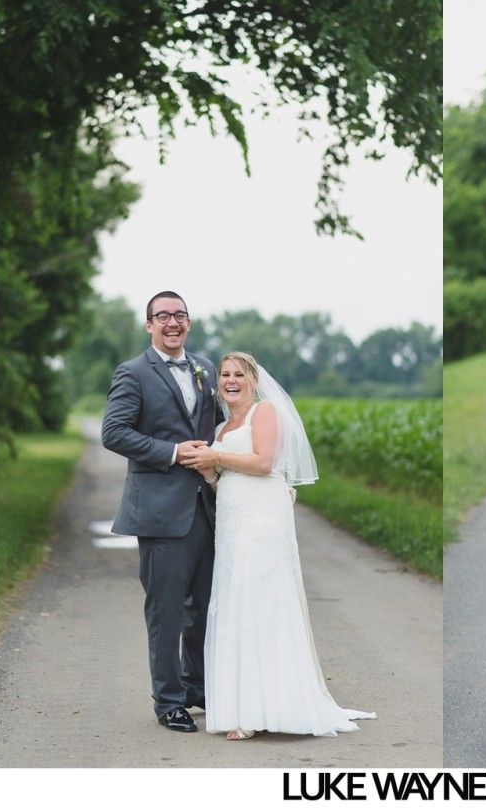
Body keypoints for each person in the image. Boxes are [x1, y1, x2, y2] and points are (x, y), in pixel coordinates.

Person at [179, 351, 375, 740]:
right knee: (236, 601)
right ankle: (244, 705)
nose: (230, 381)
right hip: (234, 523)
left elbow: (264, 463)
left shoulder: (263, 413)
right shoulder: (220, 430)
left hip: (263, 522)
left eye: (239, 374)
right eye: (224, 375)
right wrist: (211, 474)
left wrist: (217, 457)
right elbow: (227, 482)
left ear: (253, 380)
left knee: (262, 601)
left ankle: (266, 708)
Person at [101, 291, 219, 733]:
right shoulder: (133, 373)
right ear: (149, 325)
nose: (173, 322)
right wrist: (172, 452)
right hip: (159, 511)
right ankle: (168, 701)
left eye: (180, 314)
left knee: (204, 607)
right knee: (166, 611)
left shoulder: (205, 367)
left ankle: (196, 687)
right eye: (163, 315)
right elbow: (114, 432)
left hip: (206, 508)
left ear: (188, 322)